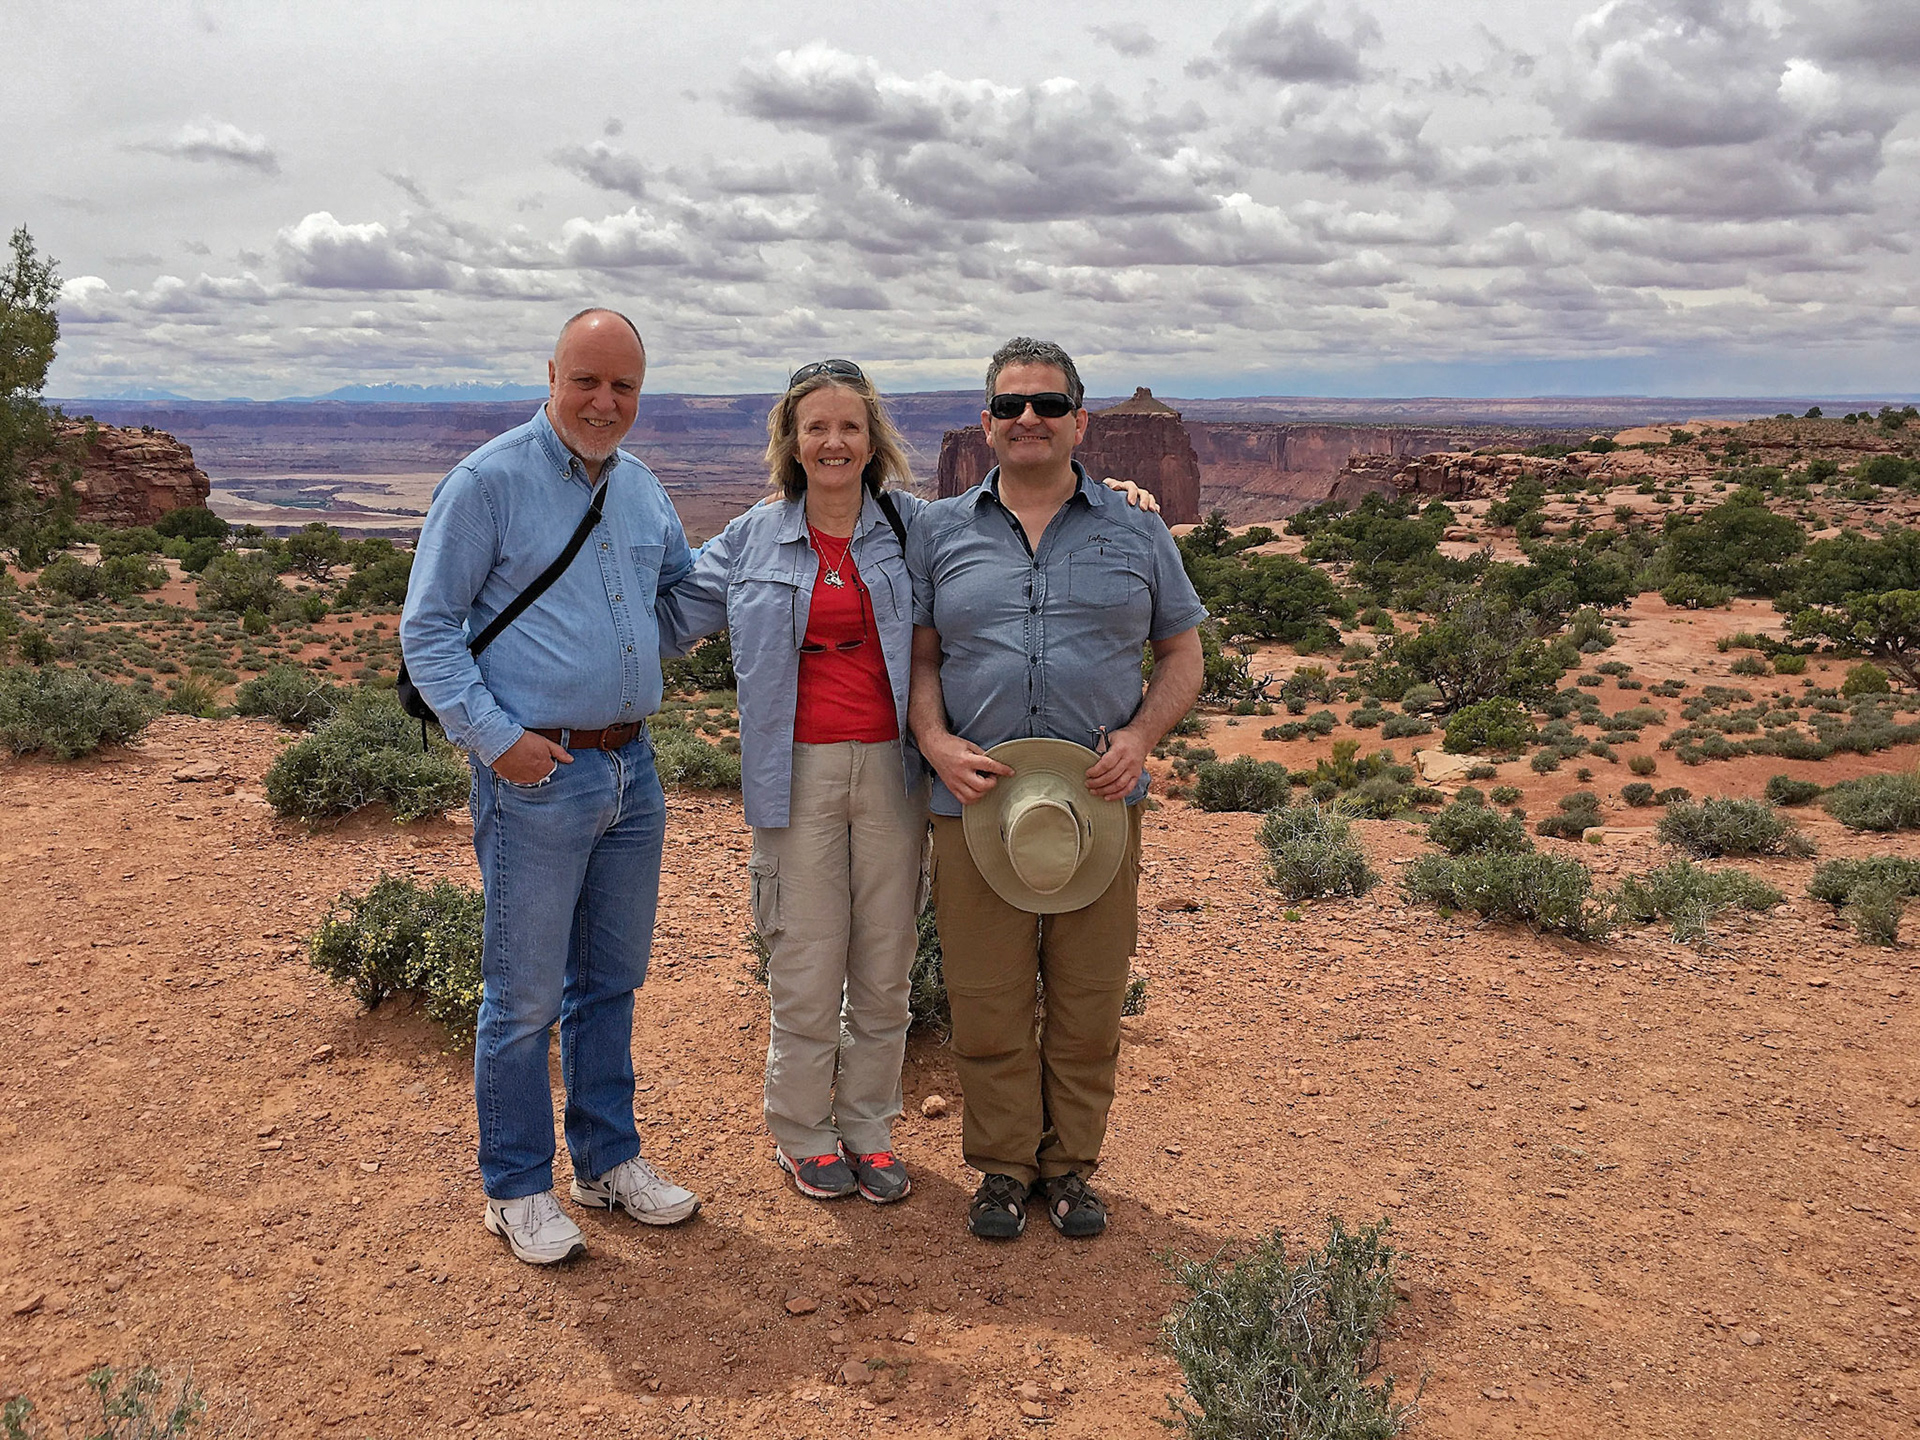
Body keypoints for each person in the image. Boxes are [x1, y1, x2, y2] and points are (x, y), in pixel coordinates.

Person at [657, 360, 1161, 1206]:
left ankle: (866, 1126)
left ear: (873, 439)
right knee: (807, 960)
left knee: (887, 964)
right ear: (790, 439)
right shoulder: (749, 538)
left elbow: (1013, 516)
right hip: (796, 774)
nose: (833, 441)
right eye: (815, 426)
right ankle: (803, 1134)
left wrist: (1113, 492)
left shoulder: (912, 527)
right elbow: (667, 616)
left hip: (895, 771)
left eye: (850, 426)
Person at [400, 308, 702, 1265]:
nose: (605, 403)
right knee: (523, 996)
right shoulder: (487, 482)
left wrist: (777, 545)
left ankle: (607, 1162)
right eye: (588, 381)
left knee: (611, 982)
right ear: (552, 375)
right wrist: (498, 742)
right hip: (537, 776)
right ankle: (517, 1186)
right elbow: (430, 630)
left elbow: (679, 605)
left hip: (631, 769)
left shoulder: (646, 490)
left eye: (623, 388)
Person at [907, 336, 1206, 1240]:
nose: (1026, 419)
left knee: (1087, 996)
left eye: (1045, 404)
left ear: (1080, 420)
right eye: (1008, 406)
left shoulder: (1137, 529)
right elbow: (922, 658)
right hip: (976, 800)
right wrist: (932, 739)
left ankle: (1071, 1166)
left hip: (1099, 803)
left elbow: (1182, 651)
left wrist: (1144, 735)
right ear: (986, 423)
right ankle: (1002, 1165)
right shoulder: (939, 530)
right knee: (986, 993)